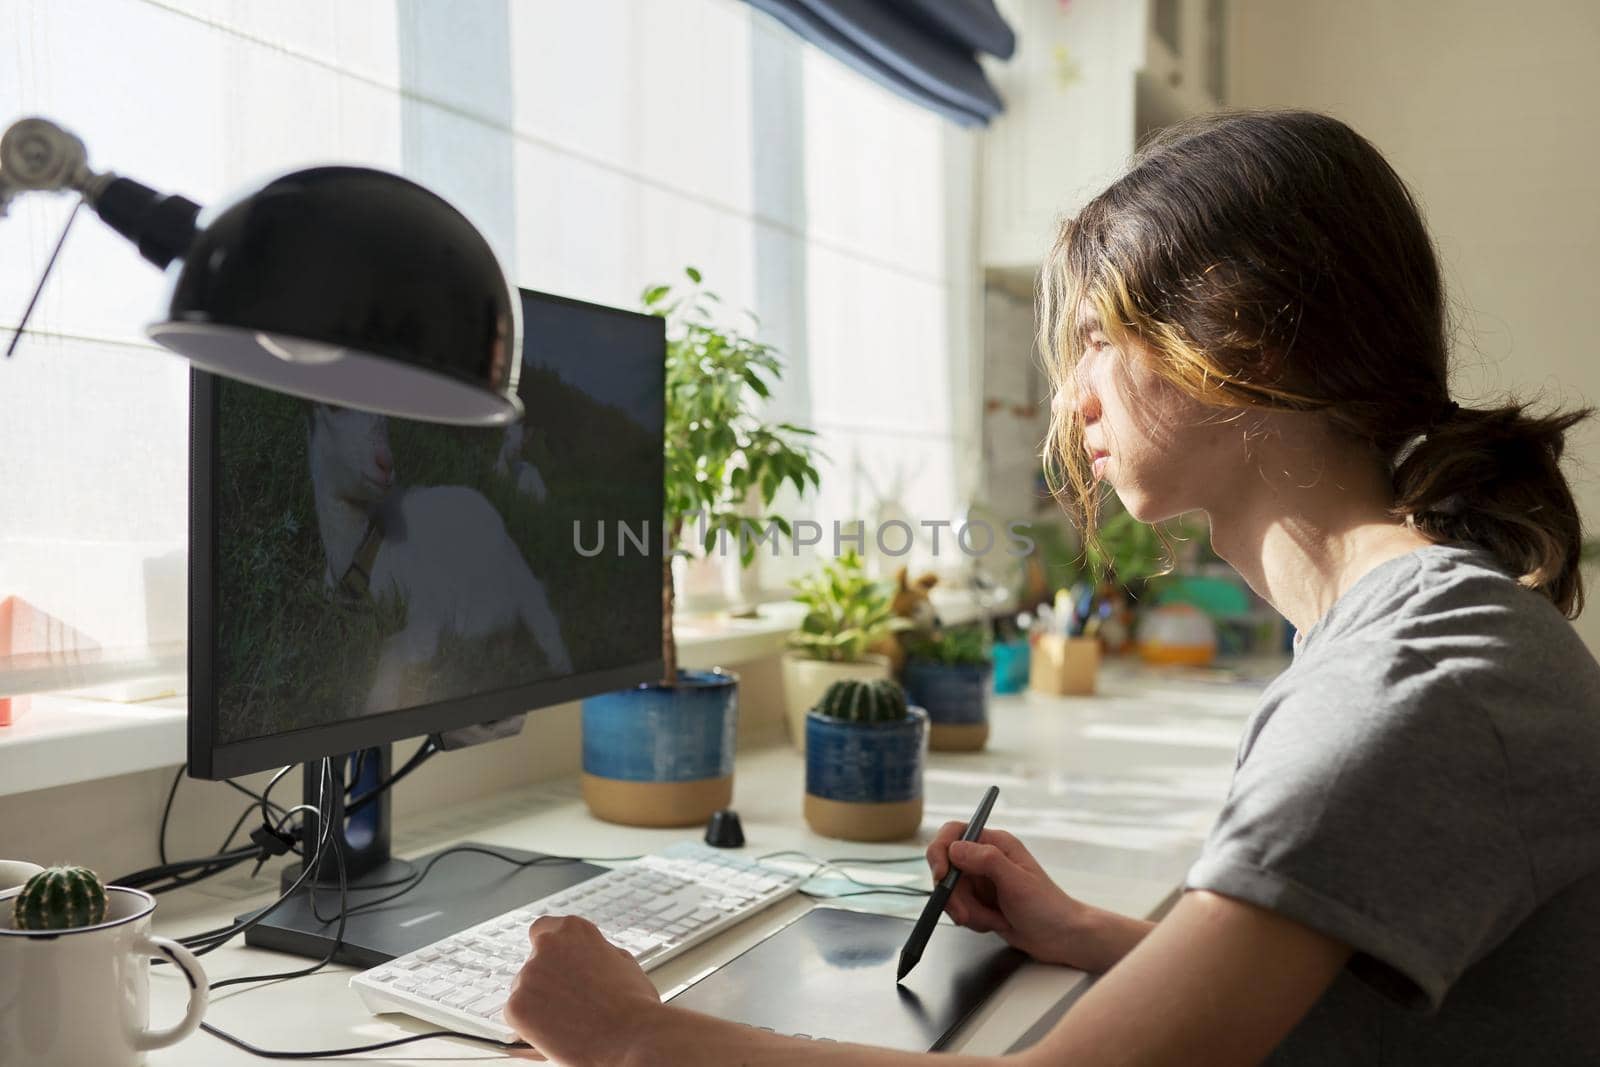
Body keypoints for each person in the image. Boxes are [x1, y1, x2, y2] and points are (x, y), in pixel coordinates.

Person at [501, 110, 1600, 1065]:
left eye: (1092, 337)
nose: (1072, 396)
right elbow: (1343, 1020)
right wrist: (1089, 933)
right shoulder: (1394, 634)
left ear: (1242, 332)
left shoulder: (1407, 677)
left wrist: (633, 1036)